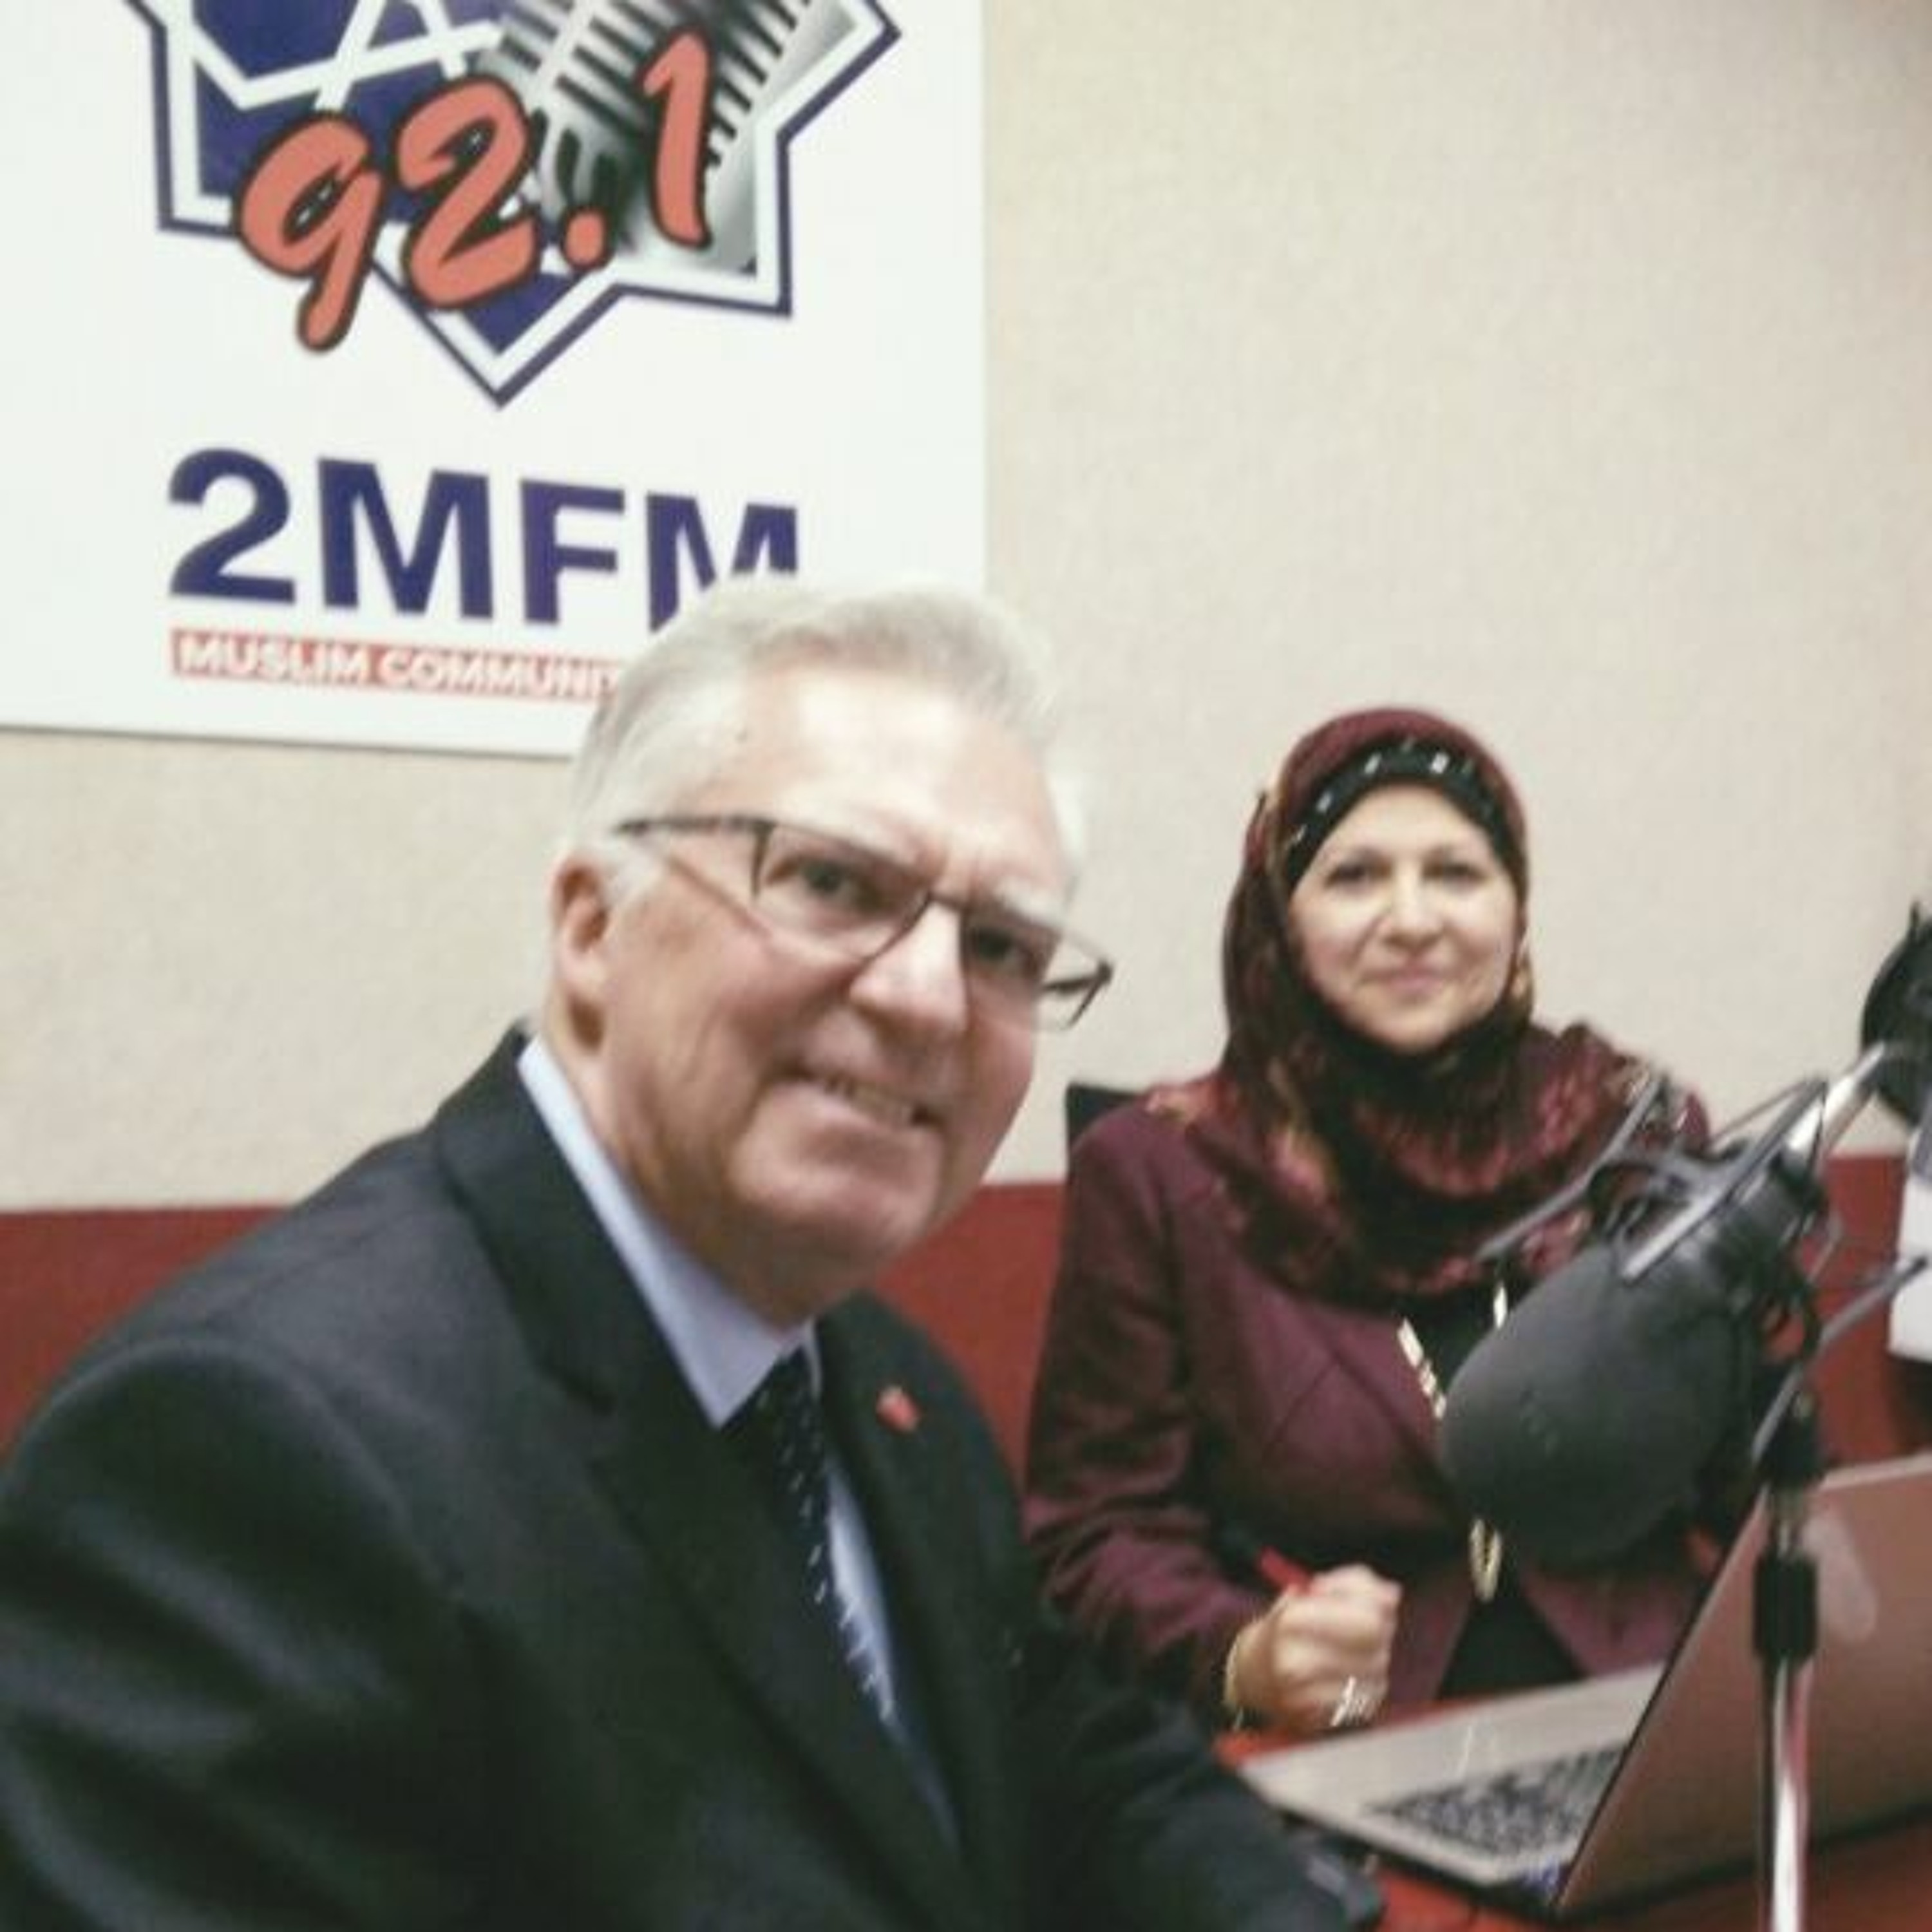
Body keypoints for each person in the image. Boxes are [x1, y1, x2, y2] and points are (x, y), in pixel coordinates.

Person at [0, 581, 1350, 1930]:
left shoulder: (883, 1385)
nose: (929, 997)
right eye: (831, 882)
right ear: (593, 925)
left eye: (1000, 945)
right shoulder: (248, 1451)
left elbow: (1073, 1762)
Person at [1024, 705, 1712, 1739]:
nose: (1412, 919)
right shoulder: (1162, 1170)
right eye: (1354, 876)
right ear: (1278, 913)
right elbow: (1096, 1535)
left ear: (1515, 907)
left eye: (1457, 873)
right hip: (1341, 1742)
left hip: (1649, 1724)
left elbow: (1763, 1477)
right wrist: (1244, 1655)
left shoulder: (1632, 1133)